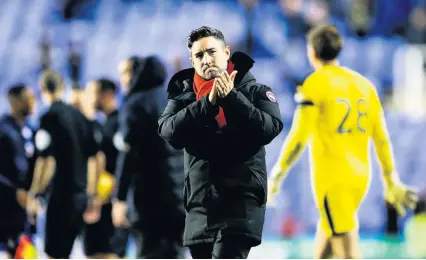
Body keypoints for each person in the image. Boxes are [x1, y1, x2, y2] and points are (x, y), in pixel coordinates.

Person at [267, 24, 418, 259]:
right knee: (326, 243)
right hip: (359, 178)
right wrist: (390, 179)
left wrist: (278, 172)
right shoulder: (365, 86)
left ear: (312, 51)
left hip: (333, 181)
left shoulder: (315, 84)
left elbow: (299, 136)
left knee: (347, 252)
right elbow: (381, 138)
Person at [158, 26, 283, 259]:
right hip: (200, 206)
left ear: (226, 53)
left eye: (211, 52)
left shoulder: (256, 91)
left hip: (241, 202)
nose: (206, 60)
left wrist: (232, 99)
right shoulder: (183, 96)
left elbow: (269, 128)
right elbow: (168, 131)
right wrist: (208, 103)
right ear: (192, 61)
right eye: (199, 55)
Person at [113, 55, 185, 258]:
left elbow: (129, 155)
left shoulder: (135, 104)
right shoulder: (176, 101)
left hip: (149, 200)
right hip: (180, 200)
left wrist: (120, 199)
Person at [26, 69, 101, 259]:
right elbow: (94, 158)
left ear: (42, 89)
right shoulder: (80, 118)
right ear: (63, 87)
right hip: (80, 197)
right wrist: (91, 194)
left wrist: (35, 192)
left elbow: (46, 160)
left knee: (55, 255)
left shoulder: (48, 117)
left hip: (60, 197)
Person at [82, 79, 129, 259]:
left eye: (92, 93)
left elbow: (113, 165)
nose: (90, 98)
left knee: (106, 253)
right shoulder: (105, 124)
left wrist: (98, 196)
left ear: (106, 95)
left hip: (109, 202)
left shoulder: (118, 123)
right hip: (107, 201)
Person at [0, 85, 36, 258]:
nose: (33, 101)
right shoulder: (3, 130)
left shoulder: (28, 130)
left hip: (24, 211)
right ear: (16, 101)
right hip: (6, 209)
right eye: (28, 98)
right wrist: (14, 192)